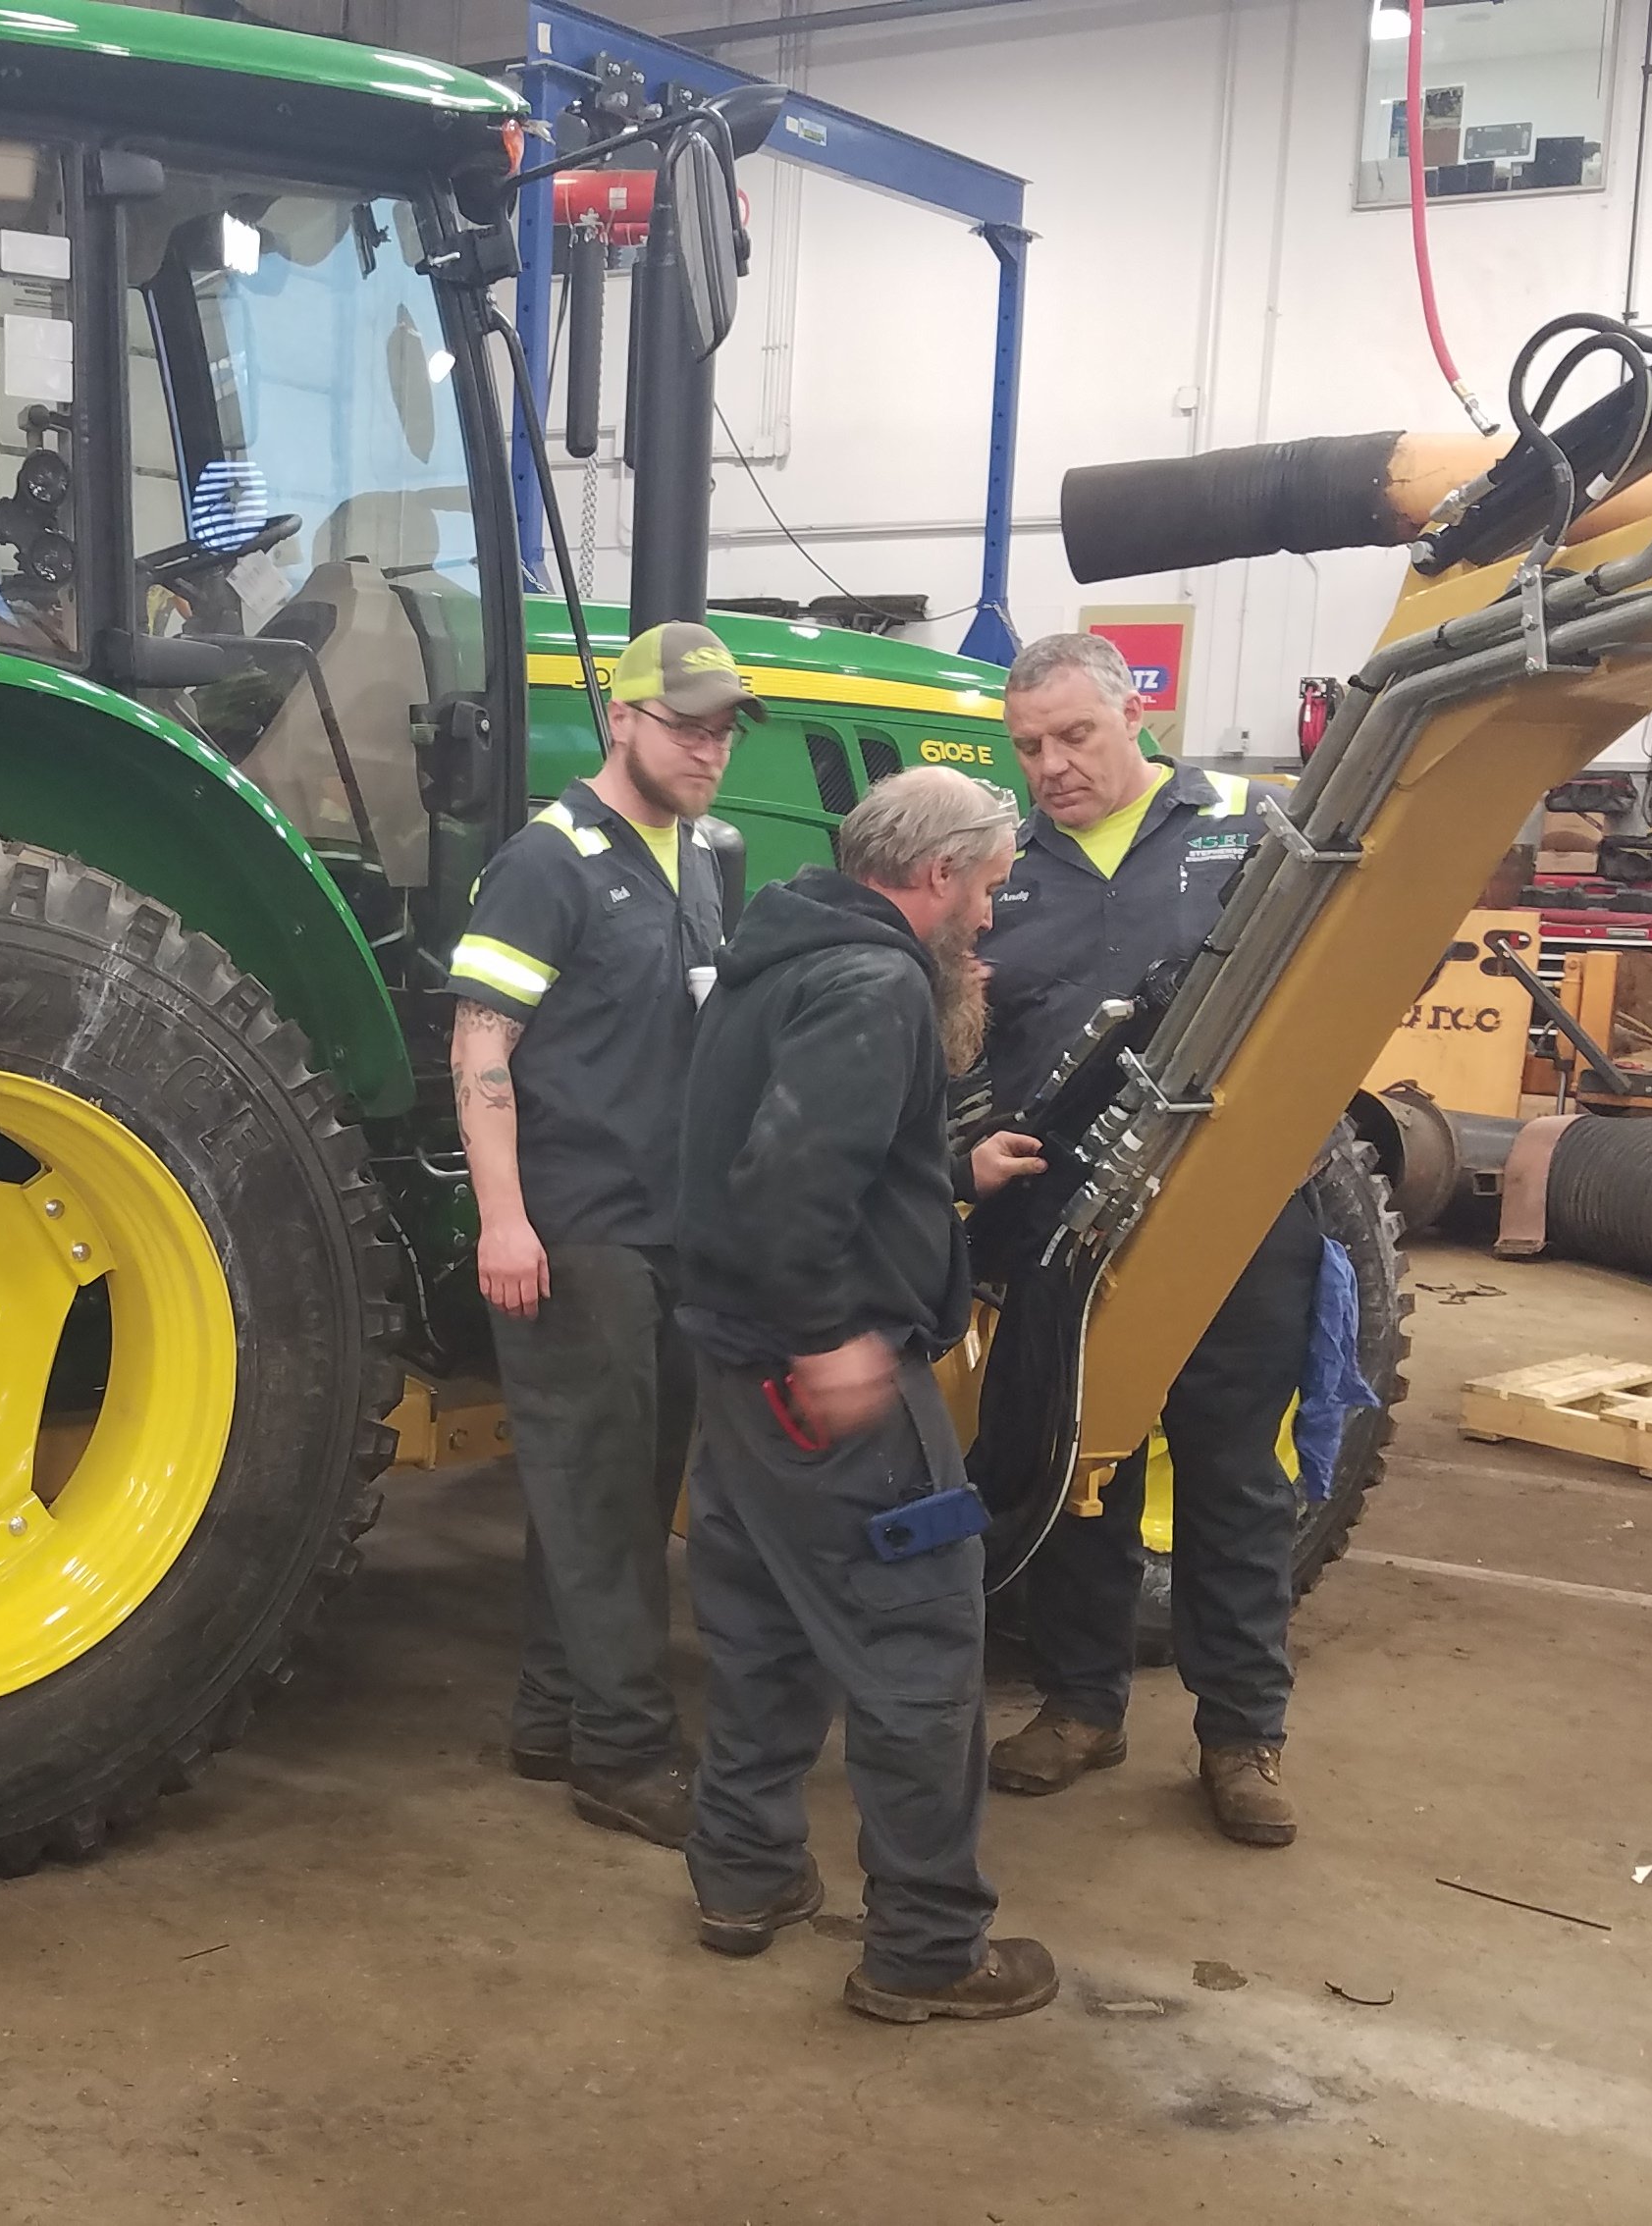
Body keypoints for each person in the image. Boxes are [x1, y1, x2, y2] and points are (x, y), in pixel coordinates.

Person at [669, 766, 1055, 2024]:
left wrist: (942, 1167)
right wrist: (835, 1339)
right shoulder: (873, 980)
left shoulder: (778, 951)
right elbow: (788, 1191)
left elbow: (780, 1145)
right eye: (992, 888)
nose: (992, 917)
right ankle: (929, 1947)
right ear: (938, 875)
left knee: (766, 1623)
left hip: (737, 1375)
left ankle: (744, 1876)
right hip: (823, 1386)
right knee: (919, 1641)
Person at [973, 629, 1316, 1847]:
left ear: (1136, 715)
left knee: (1233, 1470)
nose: (1053, 766)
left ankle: (1240, 1736)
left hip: (1237, 1212)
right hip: (1067, 1221)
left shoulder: (1254, 825)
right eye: (1029, 748)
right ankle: (1082, 1704)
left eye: (1075, 736)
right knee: (1082, 1464)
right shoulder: (1001, 865)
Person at [445, 620, 751, 1844]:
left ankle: (551, 1711)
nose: (709, 750)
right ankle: (622, 1755)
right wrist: (506, 1222)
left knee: (609, 1495)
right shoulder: (549, 862)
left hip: (666, 1229)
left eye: (724, 730)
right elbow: (480, 1045)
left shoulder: (702, 857)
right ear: (620, 719)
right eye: (687, 725)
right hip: (577, 1236)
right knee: (601, 1496)